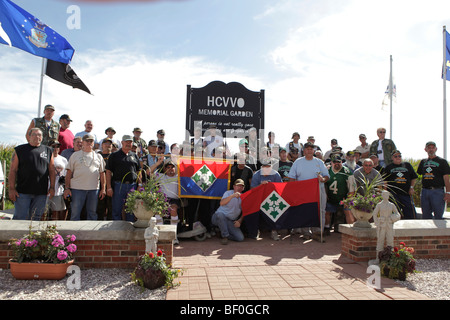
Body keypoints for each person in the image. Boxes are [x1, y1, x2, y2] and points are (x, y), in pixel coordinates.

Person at [9, 128, 55, 220]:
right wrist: (11, 189)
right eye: (34, 134)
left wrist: (52, 187)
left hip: (41, 193)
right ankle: (16, 235)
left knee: (36, 218)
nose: (37, 137)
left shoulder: (48, 150)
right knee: (20, 218)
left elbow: (51, 170)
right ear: (29, 137)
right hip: (22, 192)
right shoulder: (20, 150)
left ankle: (33, 235)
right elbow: (13, 170)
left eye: (39, 135)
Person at [288, 142, 330, 242]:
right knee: (304, 211)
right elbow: (291, 177)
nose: (309, 151)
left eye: (311, 149)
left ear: (314, 151)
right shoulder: (298, 162)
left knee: (320, 211)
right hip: (303, 192)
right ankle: (306, 232)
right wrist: (294, 190)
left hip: (318, 190)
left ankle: (318, 232)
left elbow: (327, 176)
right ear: (304, 150)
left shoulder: (319, 162)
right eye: (307, 149)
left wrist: (323, 179)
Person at [63, 134, 106, 220]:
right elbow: (69, 172)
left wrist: (103, 189)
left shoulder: (98, 156)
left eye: (91, 141)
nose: (89, 143)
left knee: (92, 213)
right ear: (82, 142)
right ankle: (73, 233)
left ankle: (91, 233)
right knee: (75, 213)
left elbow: (102, 173)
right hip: (77, 189)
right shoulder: (75, 155)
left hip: (94, 189)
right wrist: (67, 188)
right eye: (87, 141)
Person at [106, 135, 141, 221]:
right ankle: (117, 231)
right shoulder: (114, 155)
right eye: (126, 142)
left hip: (132, 186)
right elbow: (108, 172)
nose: (128, 144)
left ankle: (129, 230)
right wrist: (109, 187)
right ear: (122, 142)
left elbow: (139, 171)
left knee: (131, 210)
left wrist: (139, 184)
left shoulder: (134, 156)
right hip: (118, 185)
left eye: (130, 142)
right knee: (116, 210)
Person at [417, 141, 450, 220]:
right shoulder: (423, 162)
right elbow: (419, 175)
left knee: (438, 216)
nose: (431, 150)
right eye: (429, 148)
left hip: (437, 191)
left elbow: (446, 178)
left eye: (432, 148)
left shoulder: (442, 162)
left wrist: (448, 192)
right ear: (425, 149)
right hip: (425, 191)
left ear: (436, 149)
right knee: (425, 216)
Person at [251, 158, 283, 240]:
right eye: (265, 167)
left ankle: (274, 231)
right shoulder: (256, 175)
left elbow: (280, 189)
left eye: (268, 167)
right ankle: (256, 230)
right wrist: (260, 186)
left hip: (272, 198)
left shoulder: (276, 175)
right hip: (259, 198)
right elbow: (252, 190)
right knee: (254, 209)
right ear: (262, 167)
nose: (267, 169)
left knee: (276, 207)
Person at [325, 155, 356, 233]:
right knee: (326, 211)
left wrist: (348, 200)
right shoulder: (327, 171)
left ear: (342, 162)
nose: (336, 164)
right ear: (331, 163)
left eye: (338, 162)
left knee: (348, 211)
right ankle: (326, 228)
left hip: (344, 198)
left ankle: (352, 230)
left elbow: (352, 189)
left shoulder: (347, 172)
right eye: (334, 162)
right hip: (331, 198)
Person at [384, 150, 418, 219]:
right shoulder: (388, 167)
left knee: (410, 212)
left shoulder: (407, 165)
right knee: (395, 213)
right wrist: (385, 192)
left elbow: (414, 177)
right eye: (395, 156)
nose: (398, 157)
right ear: (392, 158)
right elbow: (385, 181)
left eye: (399, 156)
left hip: (406, 193)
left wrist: (411, 187)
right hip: (394, 194)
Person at [211, 179, 246, 244]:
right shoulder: (228, 193)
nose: (239, 188)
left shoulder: (244, 197)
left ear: (243, 188)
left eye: (241, 186)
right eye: (238, 186)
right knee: (220, 214)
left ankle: (221, 233)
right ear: (234, 186)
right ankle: (225, 237)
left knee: (240, 238)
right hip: (217, 218)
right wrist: (232, 196)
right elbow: (221, 203)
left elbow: (245, 211)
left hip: (230, 221)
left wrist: (240, 221)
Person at [49, 140, 68, 220]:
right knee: (43, 212)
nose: (56, 148)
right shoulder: (45, 158)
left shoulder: (63, 160)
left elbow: (67, 175)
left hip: (58, 190)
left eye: (57, 146)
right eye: (53, 146)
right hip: (45, 190)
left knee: (56, 212)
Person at [97, 138, 113, 220]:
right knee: (100, 206)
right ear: (102, 145)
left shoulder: (114, 156)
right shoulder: (97, 156)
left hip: (111, 184)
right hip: (100, 184)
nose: (107, 145)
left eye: (109, 144)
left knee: (111, 206)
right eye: (105, 143)